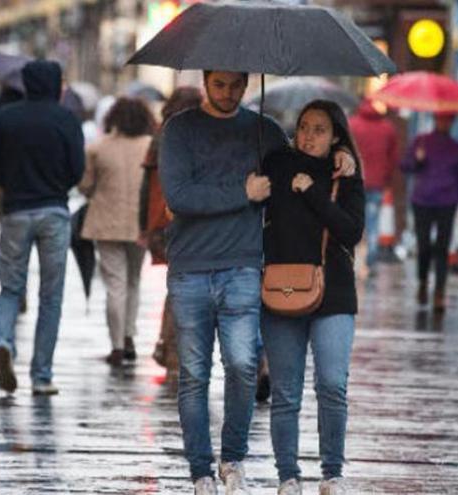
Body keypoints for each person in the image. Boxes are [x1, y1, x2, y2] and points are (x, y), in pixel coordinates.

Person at [159, 71, 357, 495]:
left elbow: (305, 166)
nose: (228, 93)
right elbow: (178, 196)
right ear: (207, 80)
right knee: (193, 374)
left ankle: (232, 460)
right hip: (190, 267)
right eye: (219, 85)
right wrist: (241, 192)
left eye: (236, 85)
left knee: (244, 366)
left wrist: (343, 155)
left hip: (245, 268)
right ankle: (201, 471)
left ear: (247, 82)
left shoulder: (264, 132)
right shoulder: (179, 130)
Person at [260, 100, 365, 495]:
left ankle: (331, 474)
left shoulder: (346, 176)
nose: (308, 135)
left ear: (336, 134)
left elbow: (350, 232)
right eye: (304, 126)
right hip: (279, 291)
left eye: (319, 129)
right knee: (285, 393)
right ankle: (288, 476)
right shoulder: (277, 164)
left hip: (334, 294)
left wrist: (314, 192)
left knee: (332, 385)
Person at [0, 60, 84, 396]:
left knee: (11, 289)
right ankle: (41, 375)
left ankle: (4, 342)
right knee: (50, 296)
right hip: (54, 212)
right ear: (56, 84)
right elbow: (77, 170)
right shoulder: (67, 119)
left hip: (15, 211)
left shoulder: (6, 117)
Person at [78, 97, 154, 366]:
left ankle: (117, 345)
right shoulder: (150, 147)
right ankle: (130, 335)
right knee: (133, 281)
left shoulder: (98, 148)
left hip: (106, 223)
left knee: (115, 285)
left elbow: (85, 187)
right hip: (141, 225)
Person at [140, 86, 202, 384]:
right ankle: (171, 350)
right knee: (184, 286)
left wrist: (144, 224)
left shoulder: (160, 134)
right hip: (186, 221)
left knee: (177, 285)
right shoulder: (198, 137)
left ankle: (168, 349)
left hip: (162, 222)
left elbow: (146, 183)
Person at [401, 112, 458, 312]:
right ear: (435, 120)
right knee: (424, 246)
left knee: (442, 248)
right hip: (422, 201)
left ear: (451, 122)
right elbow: (405, 166)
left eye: (448, 119)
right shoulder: (421, 142)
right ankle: (423, 282)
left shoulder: (455, 147)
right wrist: (418, 160)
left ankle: (439, 292)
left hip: (446, 203)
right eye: (442, 119)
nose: (445, 122)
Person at [348, 99, 399, 275]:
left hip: (354, 183)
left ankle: (353, 260)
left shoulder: (352, 124)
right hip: (376, 184)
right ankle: (371, 261)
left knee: (353, 222)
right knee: (373, 223)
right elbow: (393, 159)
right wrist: (387, 178)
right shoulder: (387, 128)